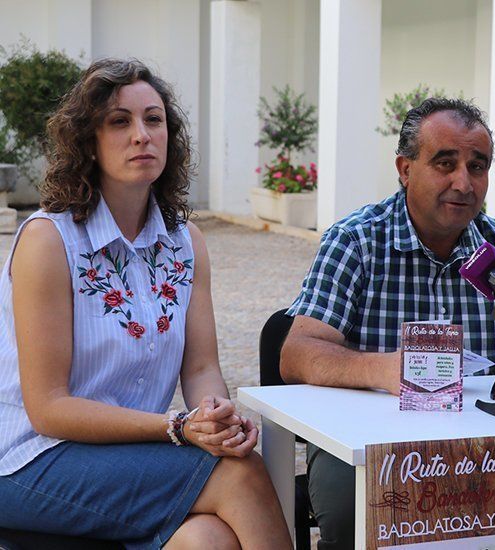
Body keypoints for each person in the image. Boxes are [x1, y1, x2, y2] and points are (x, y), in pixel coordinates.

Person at [0, 58, 291, 549]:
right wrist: (178, 427)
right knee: (239, 475)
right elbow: (48, 409)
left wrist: (215, 415)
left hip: (126, 455)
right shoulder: (48, 242)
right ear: (87, 142)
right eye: (119, 121)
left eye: (153, 119)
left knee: (208, 540)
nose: (142, 135)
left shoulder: (186, 242)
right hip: (28, 460)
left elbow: (200, 367)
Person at [279, 98, 495, 549]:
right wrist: (385, 371)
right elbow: (296, 353)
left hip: (485, 438)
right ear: (405, 169)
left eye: (477, 166)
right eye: (445, 163)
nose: (463, 182)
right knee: (352, 513)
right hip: (371, 441)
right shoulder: (357, 240)